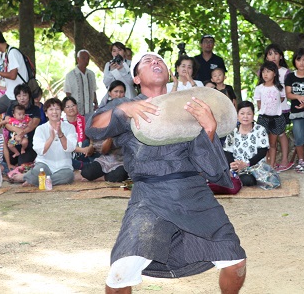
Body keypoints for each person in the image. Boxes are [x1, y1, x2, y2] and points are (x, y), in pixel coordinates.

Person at [87, 52, 246, 292]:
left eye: (159, 60)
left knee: (236, 262)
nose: (155, 62)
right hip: (149, 197)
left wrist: (209, 129)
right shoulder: (127, 105)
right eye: (147, 61)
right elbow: (94, 128)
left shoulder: (186, 106)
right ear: (137, 79)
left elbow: (211, 169)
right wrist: (125, 109)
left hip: (193, 194)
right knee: (120, 274)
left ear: (169, 74)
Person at [11, 98, 77, 186]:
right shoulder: (40, 129)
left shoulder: (70, 128)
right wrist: (51, 138)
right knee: (38, 171)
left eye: (57, 109)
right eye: (51, 109)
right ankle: (30, 178)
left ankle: (36, 180)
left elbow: (70, 148)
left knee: (69, 176)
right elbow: (40, 151)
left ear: (61, 112)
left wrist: (61, 134)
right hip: (45, 164)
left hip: (63, 166)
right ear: (46, 113)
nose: (54, 112)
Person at [81, 80, 128, 182]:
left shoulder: (130, 109)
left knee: (115, 177)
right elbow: (94, 133)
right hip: (106, 156)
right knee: (86, 172)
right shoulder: (103, 110)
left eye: (121, 92)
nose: (119, 94)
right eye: (116, 91)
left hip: (123, 158)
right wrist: (93, 145)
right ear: (110, 93)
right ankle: (105, 173)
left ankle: (107, 176)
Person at [0, 28, 29, 116]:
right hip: (9, 95)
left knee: (11, 122)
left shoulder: (13, 52)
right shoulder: (2, 55)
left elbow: (12, 75)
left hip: (19, 97)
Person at [223, 101, 269, 186]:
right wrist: (234, 164)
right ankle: (234, 177)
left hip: (255, 167)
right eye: (242, 113)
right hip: (236, 166)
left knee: (248, 180)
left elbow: (262, 152)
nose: (245, 116)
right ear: (237, 116)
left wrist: (246, 164)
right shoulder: (233, 131)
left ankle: (236, 179)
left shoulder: (260, 130)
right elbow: (228, 152)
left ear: (253, 115)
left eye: (249, 114)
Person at [263, 44, 293, 171]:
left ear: (280, 56)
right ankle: (270, 161)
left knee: (281, 134)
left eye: (276, 53)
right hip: (266, 110)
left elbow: (287, 91)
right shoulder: (263, 71)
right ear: (266, 57)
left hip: (282, 108)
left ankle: (285, 160)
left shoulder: (285, 72)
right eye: (270, 54)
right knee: (267, 135)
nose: (273, 56)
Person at [254, 61, 286, 169]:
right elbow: (259, 103)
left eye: (268, 71)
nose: (265, 74)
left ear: (275, 73)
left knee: (273, 144)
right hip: (263, 118)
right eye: (263, 71)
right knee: (263, 144)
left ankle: (272, 165)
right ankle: (264, 165)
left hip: (276, 118)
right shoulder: (259, 88)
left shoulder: (279, 88)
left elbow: (282, 99)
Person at [4, 84, 41, 166]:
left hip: (29, 145)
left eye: (24, 95)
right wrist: (17, 130)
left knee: (23, 163)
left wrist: (22, 133)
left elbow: (34, 124)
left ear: (29, 96)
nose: (22, 98)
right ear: (16, 97)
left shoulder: (35, 109)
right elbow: (6, 123)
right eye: (19, 95)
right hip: (14, 142)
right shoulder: (12, 108)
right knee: (5, 160)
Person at [62, 96, 94, 170]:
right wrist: (82, 150)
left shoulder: (84, 119)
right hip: (70, 152)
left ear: (77, 106)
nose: (71, 108)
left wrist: (90, 146)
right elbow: (64, 145)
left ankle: (86, 165)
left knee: (86, 142)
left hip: (85, 151)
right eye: (67, 107)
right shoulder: (61, 123)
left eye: (73, 105)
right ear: (63, 110)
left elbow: (92, 136)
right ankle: (86, 166)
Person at [64, 49, 98, 116]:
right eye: (83, 58)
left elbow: (93, 91)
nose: (86, 60)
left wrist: (96, 104)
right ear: (78, 59)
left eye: (88, 58)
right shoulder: (70, 75)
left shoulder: (91, 74)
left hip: (90, 111)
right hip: (77, 113)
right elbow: (68, 93)